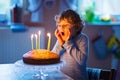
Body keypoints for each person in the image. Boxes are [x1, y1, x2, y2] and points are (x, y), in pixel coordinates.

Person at [52, 9, 89, 80]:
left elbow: (81, 61)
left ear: (76, 27)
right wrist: (60, 44)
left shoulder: (83, 39)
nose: (61, 28)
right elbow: (53, 58)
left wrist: (68, 42)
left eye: (65, 25)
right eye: (59, 25)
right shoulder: (60, 39)